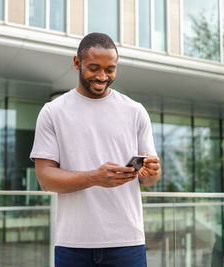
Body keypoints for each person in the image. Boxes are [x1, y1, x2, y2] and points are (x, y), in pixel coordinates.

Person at [30, 32, 161, 267]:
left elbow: (149, 181)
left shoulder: (135, 111)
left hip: (127, 242)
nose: (102, 76)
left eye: (110, 69)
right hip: (73, 244)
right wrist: (94, 177)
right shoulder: (53, 112)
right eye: (94, 68)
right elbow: (45, 178)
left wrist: (152, 173)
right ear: (77, 63)